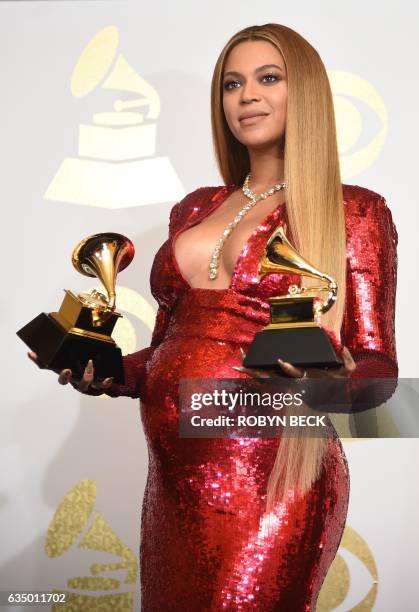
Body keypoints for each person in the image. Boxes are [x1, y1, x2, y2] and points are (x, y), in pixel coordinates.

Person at [29, 23, 398, 612]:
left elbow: (378, 366)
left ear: (304, 92)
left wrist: (327, 386)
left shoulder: (354, 210)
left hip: (275, 480)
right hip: (173, 488)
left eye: (267, 78)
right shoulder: (195, 207)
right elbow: (168, 349)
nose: (246, 96)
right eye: (232, 83)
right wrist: (100, 369)